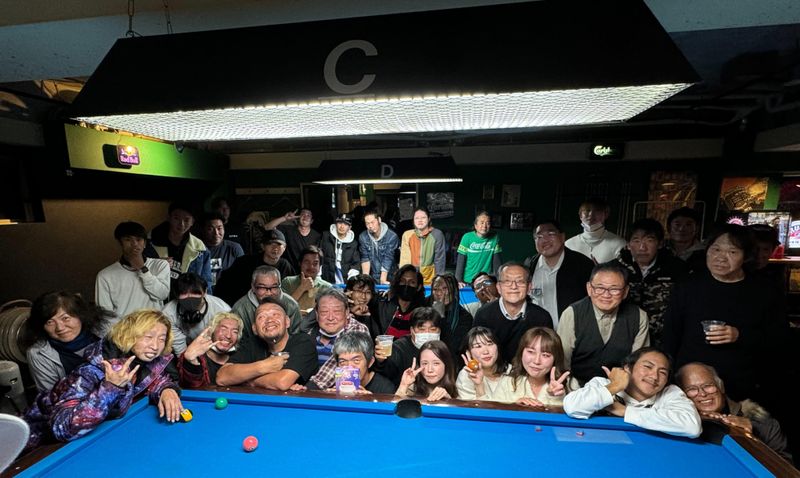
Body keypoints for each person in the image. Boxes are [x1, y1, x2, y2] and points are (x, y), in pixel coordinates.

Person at [23, 309, 184, 449]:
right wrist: (110, 388)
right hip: (33, 439)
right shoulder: (89, 371)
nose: (155, 346)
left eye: (161, 339)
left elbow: (152, 379)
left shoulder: (140, 361)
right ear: (128, 335)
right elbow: (62, 428)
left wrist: (166, 389)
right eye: (148, 337)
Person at [662, 224, 788, 401]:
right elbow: (671, 334)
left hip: (742, 382)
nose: (721, 257)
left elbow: (779, 338)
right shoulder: (688, 285)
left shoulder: (765, 291)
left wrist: (740, 335)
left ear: (746, 256)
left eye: (732, 252)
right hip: (691, 381)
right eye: (716, 249)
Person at [563, 347, 702, 438]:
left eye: (662, 372)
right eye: (647, 366)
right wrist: (614, 386)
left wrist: (624, 411)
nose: (654, 376)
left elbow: (692, 427)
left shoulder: (670, 392)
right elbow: (572, 407)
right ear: (628, 368)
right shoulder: (602, 384)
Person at [676, 362, 792, 463]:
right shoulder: (678, 423)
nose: (702, 393)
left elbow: (786, 470)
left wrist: (751, 437)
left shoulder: (766, 425)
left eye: (708, 386)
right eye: (692, 389)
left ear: (721, 387)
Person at [556, 263, 649, 388]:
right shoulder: (572, 314)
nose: (606, 295)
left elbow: (638, 366)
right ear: (589, 288)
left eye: (614, 289)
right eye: (599, 288)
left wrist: (618, 391)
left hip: (620, 388)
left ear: (625, 291)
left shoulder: (638, 317)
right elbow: (562, 365)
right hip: (577, 387)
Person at [614, 218, 688, 346]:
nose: (642, 247)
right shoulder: (615, 269)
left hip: (664, 341)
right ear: (628, 244)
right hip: (624, 338)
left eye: (649, 240)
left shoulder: (677, 269)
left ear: (660, 244)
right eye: (636, 241)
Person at [216, 300, 318, 390]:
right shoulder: (251, 344)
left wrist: (248, 381)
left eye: (275, 314)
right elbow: (222, 377)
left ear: (287, 322)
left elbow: (282, 382)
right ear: (255, 329)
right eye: (262, 317)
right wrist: (265, 366)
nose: (269, 320)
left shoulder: (303, 342)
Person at [95, 221, 171, 334]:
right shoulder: (105, 275)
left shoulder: (160, 265)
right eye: (128, 239)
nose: (134, 244)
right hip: (123, 335)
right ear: (120, 243)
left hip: (154, 331)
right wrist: (123, 336)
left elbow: (162, 294)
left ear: (145, 243)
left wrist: (142, 269)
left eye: (139, 240)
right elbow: (105, 315)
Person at [24, 291, 107, 392]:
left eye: (65, 318)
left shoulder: (105, 333)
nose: (60, 328)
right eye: (50, 322)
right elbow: (51, 397)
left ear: (80, 315)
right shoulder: (38, 354)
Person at [473, 262, 552, 363]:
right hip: (493, 371)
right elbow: (476, 351)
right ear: (499, 287)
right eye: (507, 281)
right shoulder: (483, 315)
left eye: (520, 281)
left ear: (529, 287)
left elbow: (547, 355)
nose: (514, 287)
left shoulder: (542, 317)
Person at [523, 219, 594, 327]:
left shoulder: (583, 265)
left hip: (572, 331)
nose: (545, 240)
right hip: (538, 332)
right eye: (539, 236)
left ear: (562, 237)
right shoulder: (529, 265)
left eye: (550, 234)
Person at [481, 327, 570, 407]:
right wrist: (513, 406)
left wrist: (554, 397)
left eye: (545, 355)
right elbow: (492, 413)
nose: (537, 361)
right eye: (531, 352)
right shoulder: (508, 382)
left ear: (555, 359)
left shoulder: (567, 384)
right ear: (521, 353)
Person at [302, 289, 369, 390]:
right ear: (316, 314)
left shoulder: (357, 330)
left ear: (347, 312)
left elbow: (334, 368)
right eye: (324, 312)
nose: (330, 317)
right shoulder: (310, 333)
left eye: (337, 311)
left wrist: (307, 391)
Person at [145, 201, 213, 295]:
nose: (181, 224)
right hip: (156, 297)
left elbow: (206, 283)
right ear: (169, 218)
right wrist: (156, 264)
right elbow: (139, 271)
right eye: (176, 218)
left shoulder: (200, 248)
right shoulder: (150, 243)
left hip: (186, 299)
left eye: (186, 220)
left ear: (192, 222)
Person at [214, 228, 295, 305]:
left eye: (279, 244)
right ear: (263, 246)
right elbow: (224, 284)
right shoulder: (245, 262)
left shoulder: (285, 265)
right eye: (270, 244)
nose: (275, 248)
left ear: (284, 247)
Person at [161, 272, 231, 353]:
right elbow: (179, 347)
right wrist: (187, 358)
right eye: (184, 294)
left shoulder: (223, 311)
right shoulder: (167, 313)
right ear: (177, 296)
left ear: (205, 292)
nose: (190, 299)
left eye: (195, 293)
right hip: (186, 348)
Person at [373, 307, 443, 386]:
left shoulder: (443, 348)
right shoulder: (399, 348)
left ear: (439, 331)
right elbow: (388, 373)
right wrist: (381, 362)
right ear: (412, 330)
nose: (427, 333)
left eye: (433, 329)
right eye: (422, 329)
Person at [230, 265, 302, 339]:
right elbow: (237, 341)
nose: (269, 293)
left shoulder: (291, 305)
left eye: (274, 287)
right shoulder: (240, 309)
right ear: (253, 287)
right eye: (262, 287)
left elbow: (297, 337)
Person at [177, 312, 243, 387]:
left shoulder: (240, 358)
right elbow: (190, 386)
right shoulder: (198, 357)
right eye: (223, 329)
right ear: (212, 331)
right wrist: (191, 362)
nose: (228, 335)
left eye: (235, 332)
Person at [564, 197, 626, 264]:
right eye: (587, 210)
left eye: (597, 211)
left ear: (606, 215)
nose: (591, 215)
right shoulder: (569, 244)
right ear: (580, 215)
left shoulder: (619, 244)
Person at [331, 331, 396, 394]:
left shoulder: (385, 389)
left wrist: (366, 399)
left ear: (370, 362)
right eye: (342, 362)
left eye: (356, 360)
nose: (349, 367)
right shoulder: (339, 385)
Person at [374, 264, 426, 340]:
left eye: (412, 282)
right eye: (402, 281)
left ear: (418, 287)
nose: (406, 285)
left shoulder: (422, 313)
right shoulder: (383, 304)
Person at [455, 327, 508, 399]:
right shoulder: (466, 375)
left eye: (490, 344)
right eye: (478, 346)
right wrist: (479, 385)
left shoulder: (511, 372)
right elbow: (470, 406)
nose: (486, 351)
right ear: (469, 353)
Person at [399, 207, 447, 285]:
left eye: (423, 217)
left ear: (429, 219)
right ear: (413, 220)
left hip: (431, 281)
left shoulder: (437, 234)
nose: (420, 220)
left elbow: (439, 260)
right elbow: (404, 260)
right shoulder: (407, 235)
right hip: (412, 280)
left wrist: (438, 281)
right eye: (417, 218)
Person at [265, 208, 322, 272]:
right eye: (303, 214)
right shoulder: (288, 230)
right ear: (298, 218)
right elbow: (267, 228)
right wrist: (284, 218)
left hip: (307, 272)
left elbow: (318, 256)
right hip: (289, 271)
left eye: (308, 215)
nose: (305, 217)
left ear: (311, 221)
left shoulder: (317, 236)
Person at [456, 211, 502, 288]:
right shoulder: (467, 237)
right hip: (468, 281)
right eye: (482, 222)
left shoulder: (495, 237)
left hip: (486, 281)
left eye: (488, 223)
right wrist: (458, 280)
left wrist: (499, 281)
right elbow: (461, 260)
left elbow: (497, 262)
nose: (484, 226)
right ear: (475, 225)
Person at [429, 273, 472, 353]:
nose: (439, 293)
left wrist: (441, 316)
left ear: (454, 290)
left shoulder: (464, 316)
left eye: (445, 288)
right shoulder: (424, 306)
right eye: (435, 289)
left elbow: (454, 346)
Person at [281, 246, 332, 313]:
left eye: (315, 263)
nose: (311, 266)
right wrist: (302, 288)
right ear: (300, 263)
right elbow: (282, 308)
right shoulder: (288, 282)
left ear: (320, 266)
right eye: (307, 262)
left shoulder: (327, 287)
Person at [201, 212, 244, 289]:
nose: (216, 233)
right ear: (204, 230)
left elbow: (243, 274)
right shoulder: (198, 249)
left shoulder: (234, 248)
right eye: (210, 229)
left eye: (219, 228)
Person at [359, 210, 399, 284]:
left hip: (390, 275)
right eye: (367, 223)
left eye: (372, 222)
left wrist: (383, 279)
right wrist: (365, 279)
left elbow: (388, 258)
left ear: (379, 220)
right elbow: (365, 258)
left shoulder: (391, 236)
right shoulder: (363, 237)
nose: (370, 226)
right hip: (373, 275)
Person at [320, 213, 361, 285]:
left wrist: (351, 281)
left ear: (350, 227)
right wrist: (318, 277)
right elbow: (318, 257)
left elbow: (355, 264)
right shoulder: (325, 237)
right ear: (335, 224)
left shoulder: (353, 244)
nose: (342, 226)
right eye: (340, 223)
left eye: (346, 224)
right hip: (325, 281)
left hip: (344, 283)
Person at [665, 207, 706, 272]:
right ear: (668, 228)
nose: (681, 229)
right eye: (677, 224)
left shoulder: (705, 253)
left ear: (696, 229)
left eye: (688, 225)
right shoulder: (658, 249)